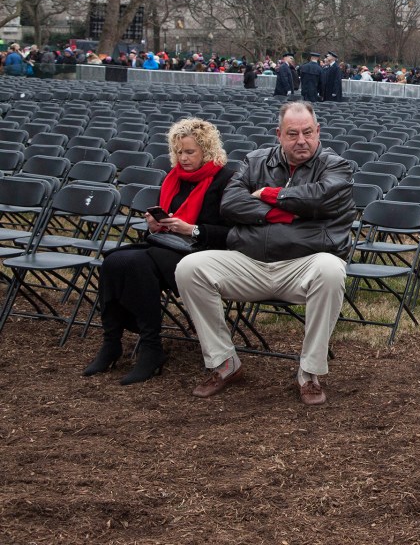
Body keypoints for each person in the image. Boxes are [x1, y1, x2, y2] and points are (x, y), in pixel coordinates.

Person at [175, 101, 355, 405]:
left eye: (308, 133)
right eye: (292, 133)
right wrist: (284, 213)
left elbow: (320, 198)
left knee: (332, 269)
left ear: (318, 131)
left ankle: (309, 373)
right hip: (250, 261)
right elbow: (230, 203)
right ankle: (225, 363)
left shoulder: (335, 166)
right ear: (279, 134)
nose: (301, 140)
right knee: (190, 267)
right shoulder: (255, 160)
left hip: (303, 264)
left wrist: (272, 195)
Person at [83, 118, 235, 384]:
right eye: (178, 152)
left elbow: (232, 233)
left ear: (207, 151)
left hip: (203, 252)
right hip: (166, 245)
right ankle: (111, 342)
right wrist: (155, 225)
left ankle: (151, 348)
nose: (183, 158)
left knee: (137, 264)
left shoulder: (226, 179)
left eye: (190, 152)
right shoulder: (173, 178)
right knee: (114, 261)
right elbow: (163, 221)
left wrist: (191, 229)